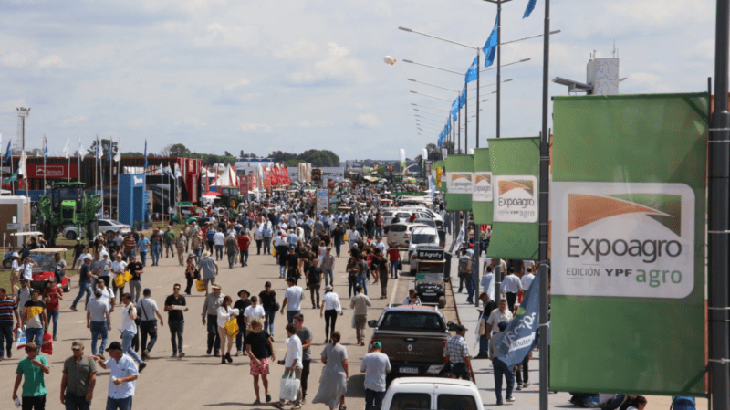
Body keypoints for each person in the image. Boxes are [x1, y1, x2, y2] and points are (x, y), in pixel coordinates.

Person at [93, 341, 138, 410]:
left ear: (117, 351)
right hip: (112, 394)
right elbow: (105, 366)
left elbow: (135, 376)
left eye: (111, 351)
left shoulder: (128, 360)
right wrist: (99, 360)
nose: (109, 353)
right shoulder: (112, 359)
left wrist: (121, 380)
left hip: (125, 395)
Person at [312, 331, 348, 410]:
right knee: (341, 391)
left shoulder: (328, 347)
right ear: (339, 338)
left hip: (329, 373)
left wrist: (329, 362)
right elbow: (345, 363)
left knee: (331, 393)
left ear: (331, 338)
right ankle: (341, 407)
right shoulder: (342, 348)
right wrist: (347, 373)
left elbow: (323, 360)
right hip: (340, 374)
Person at [245, 319, 275, 405]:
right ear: (254, 326)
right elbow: (248, 350)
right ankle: (257, 398)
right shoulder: (250, 336)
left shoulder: (264, 333)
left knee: (264, 378)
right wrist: (255, 359)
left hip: (264, 359)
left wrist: (273, 353)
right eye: (260, 325)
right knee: (256, 379)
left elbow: (270, 343)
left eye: (261, 325)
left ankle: (266, 392)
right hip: (255, 361)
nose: (262, 326)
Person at [60, 341, 97, 410]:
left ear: (82, 348)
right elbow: (64, 378)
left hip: (84, 395)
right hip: (70, 395)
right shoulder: (68, 361)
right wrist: (62, 394)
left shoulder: (89, 360)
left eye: (77, 349)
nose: (75, 351)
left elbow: (93, 377)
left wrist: (90, 392)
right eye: (74, 349)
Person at [274, 323, 303, 409]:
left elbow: (297, 355)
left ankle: (298, 403)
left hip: (295, 366)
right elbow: (290, 353)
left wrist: (293, 365)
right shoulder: (291, 339)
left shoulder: (295, 341)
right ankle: (281, 401)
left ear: (288, 331)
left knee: (296, 384)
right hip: (289, 365)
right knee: (285, 382)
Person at [13, 342, 50, 410]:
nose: (36, 352)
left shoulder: (42, 358)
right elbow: (18, 378)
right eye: (34, 351)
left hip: (40, 393)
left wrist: (40, 365)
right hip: (27, 394)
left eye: (36, 350)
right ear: (27, 352)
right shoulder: (22, 362)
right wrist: (14, 392)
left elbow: (47, 371)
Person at [118, 293, 146, 372]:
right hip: (125, 330)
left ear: (129, 299)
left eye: (125, 299)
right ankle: (141, 363)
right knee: (129, 349)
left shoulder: (131, 308)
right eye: (123, 299)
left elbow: (134, 317)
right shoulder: (125, 307)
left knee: (124, 351)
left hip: (129, 331)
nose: (123, 301)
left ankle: (124, 368)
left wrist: (131, 308)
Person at [361, 341, 391, 410]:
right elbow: (388, 370)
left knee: (368, 404)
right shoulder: (385, 356)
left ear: (372, 348)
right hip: (380, 386)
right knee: (379, 405)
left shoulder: (366, 356)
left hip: (369, 385)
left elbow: (362, 370)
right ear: (380, 348)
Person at [490, 321, 514, 405]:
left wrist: (492, 359)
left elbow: (490, 350)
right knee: (510, 378)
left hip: (496, 360)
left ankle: (499, 400)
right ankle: (508, 396)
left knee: (498, 381)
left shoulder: (493, 337)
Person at [163, 284, 188, 359]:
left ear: (179, 290)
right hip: (172, 319)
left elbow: (183, 307)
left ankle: (180, 351)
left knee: (180, 335)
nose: (176, 290)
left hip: (180, 319)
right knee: (173, 335)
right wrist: (169, 308)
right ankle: (174, 351)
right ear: (173, 289)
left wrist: (185, 309)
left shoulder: (182, 298)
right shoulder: (169, 298)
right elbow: (165, 309)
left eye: (177, 289)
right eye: (174, 288)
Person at [137, 289, 163, 360]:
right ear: (149, 294)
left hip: (143, 322)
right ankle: (148, 349)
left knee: (143, 338)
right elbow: (157, 312)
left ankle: (142, 355)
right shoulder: (152, 302)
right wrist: (161, 319)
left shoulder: (139, 302)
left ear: (143, 294)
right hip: (151, 322)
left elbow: (137, 311)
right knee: (154, 337)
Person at [293, 313, 313, 403]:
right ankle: (296, 396)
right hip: (296, 357)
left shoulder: (306, 331)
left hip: (305, 357)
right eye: (294, 321)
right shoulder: (294, 331)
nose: (294, 323)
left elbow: (308, 344)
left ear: (300, 322)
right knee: (295, 377)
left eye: (296, 322)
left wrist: (299, 347)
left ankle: (303, 396)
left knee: (304, 377)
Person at [86, 290, 110, 359]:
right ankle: (101, 351)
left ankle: (94, 353)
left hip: (93, 322)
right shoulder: (104, 303)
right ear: (101, 295)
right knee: (105, 338)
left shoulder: (90, 302)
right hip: (102, 322)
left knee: (94, 339)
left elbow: (88, 313)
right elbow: (107, 314)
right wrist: (109, 324)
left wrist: (88, 322)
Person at [202, 283, 224, 356]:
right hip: (211, 316)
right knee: (211, 332)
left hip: (219, 317)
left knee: (219, 334)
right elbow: (205, 305)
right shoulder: (209, 296)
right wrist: (203, 316)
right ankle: (209, 347)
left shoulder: (223, 297)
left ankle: (217, 350)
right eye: (213, 289)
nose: (214, 290)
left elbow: (227, 308)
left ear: (219, 290)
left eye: (215, 289)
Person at [217, 295, 240, 364]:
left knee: (231, 340)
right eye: (229, 301)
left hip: (229, 326)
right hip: (222, 326)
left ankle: (228, 353)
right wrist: (229, 314)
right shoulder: (220, 308)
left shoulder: (229, 308)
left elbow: (237, 312)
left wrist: (232, 312)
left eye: (231, 301)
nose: (230, 302)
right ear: (225, 301)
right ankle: (223, 355)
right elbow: (221, 316)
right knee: (223, 341)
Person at [0, 287, 19, 360]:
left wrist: (18, 322)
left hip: (9, 323)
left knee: (10, 339)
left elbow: (16, 311)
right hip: (0, 324)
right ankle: (1, 354)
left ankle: (8, 350)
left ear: (4, 293)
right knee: (0, 339)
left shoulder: (11, 300)